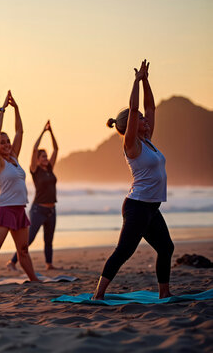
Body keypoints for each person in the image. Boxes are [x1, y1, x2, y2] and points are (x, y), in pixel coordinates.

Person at [93, 60, 173, 300]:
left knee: (166, 248)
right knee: (124, 251)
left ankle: (164, 293)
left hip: (151, 207)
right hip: (137, 207)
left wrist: (147, 80)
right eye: (140, 119)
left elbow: (151, 108)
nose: (146, 121)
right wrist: (136, 81)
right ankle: (99, 294)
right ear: (130, 125)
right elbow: (135, 105)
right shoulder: (132, 144)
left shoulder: (147, 141)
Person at [0, 90, 39, 282]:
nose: (6, 144)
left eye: (8, 141)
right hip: (5, 209)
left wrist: (17, 109)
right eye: (2, 143)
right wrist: (3, 109)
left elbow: (20, 131)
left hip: (20, 209)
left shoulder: (14, 158)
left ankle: (33, 279)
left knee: (23, 250)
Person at [7, 120, 60, 271]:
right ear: (37, 160)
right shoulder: (35, 170)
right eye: (42, 156)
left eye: (46, 156)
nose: (46, 158)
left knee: (49, 239)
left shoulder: (50, 168)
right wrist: (43, 132)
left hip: (51, 210)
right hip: (38, 210)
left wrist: (51, 133)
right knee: (29, 239)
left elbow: (56, 149)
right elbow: (34, 148)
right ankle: (12, 262)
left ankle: (49, 264)